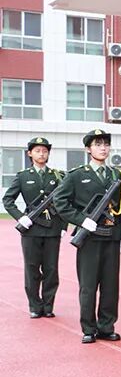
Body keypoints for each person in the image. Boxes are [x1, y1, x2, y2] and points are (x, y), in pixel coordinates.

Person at [53, 129, 121, 343]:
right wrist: (79, 220)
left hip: (111, 236)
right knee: (88, 285)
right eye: (98, 144)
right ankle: (88, 328)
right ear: (88, 149)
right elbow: (60, 201)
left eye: (106, 144)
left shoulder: (117, 175)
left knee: (110, 285)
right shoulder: (77, 175)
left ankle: (106, 326)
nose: (103, 148)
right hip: (89, 238)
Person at [4, 136, 65, 318]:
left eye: (45, 151)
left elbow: (64, 202)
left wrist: (63, 225)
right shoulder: (23, 176)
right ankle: (34, 305)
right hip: (31, 229)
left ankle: (48, 306)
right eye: (38, 150)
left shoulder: (58, 175)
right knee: (32, 268)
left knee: (51, 269)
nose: (42, 154)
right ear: (30, 153)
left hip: (52, 229)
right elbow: (8, 200)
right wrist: (20, 218)